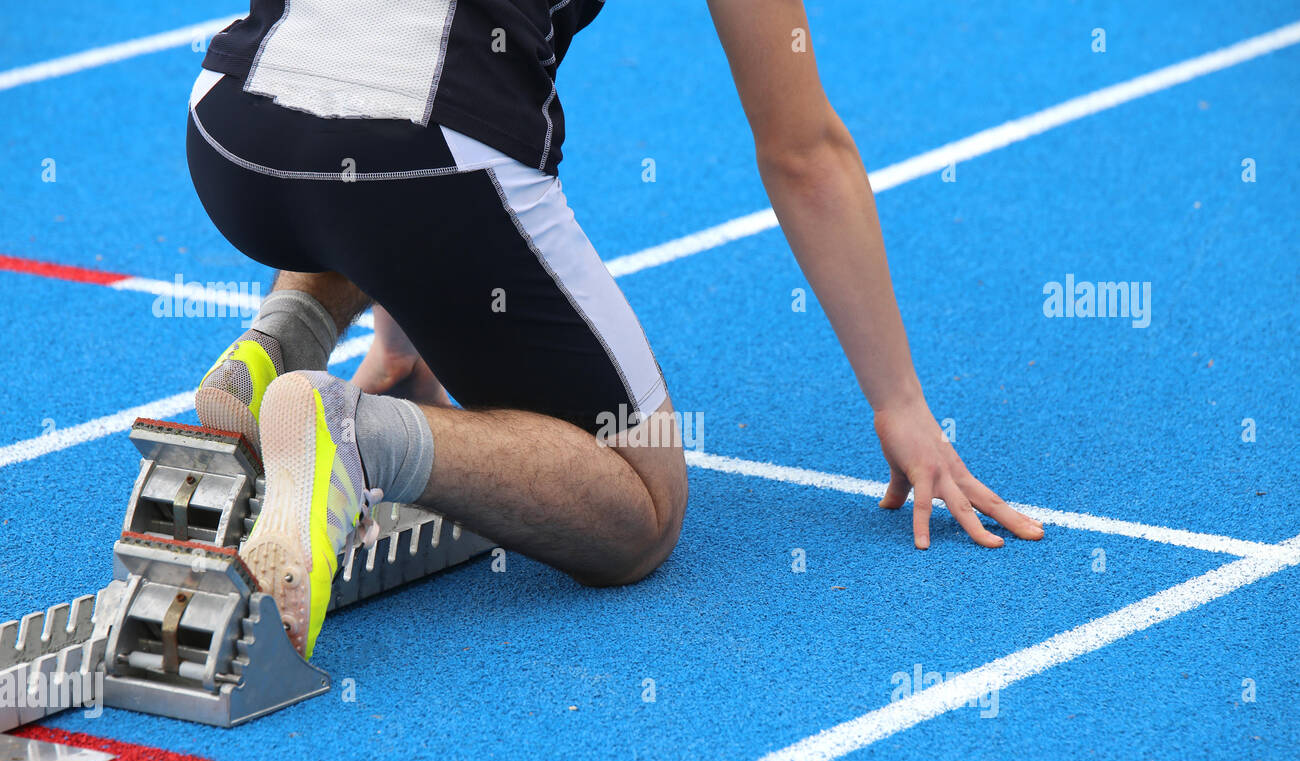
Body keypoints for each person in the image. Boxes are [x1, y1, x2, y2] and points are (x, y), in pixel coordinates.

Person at [186, 0, 1043, 658]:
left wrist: (403, 344)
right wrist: (898, 400)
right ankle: (355, 436)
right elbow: (803, 151)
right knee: (644, 509)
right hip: (418, 166)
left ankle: (283, 335)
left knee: (364, 142)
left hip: (229, 130)